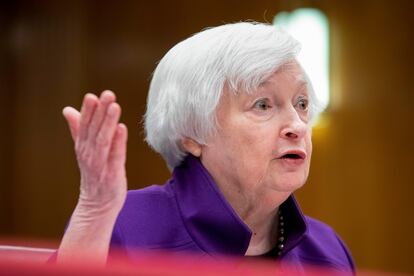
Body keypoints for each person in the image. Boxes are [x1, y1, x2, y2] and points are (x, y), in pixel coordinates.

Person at [56, 22, 355, 273]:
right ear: (193, 132)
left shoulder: (328, 249)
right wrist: (93, 214)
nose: (298, 125)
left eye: (301, 104)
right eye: (262, 104)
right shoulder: (121, 224)